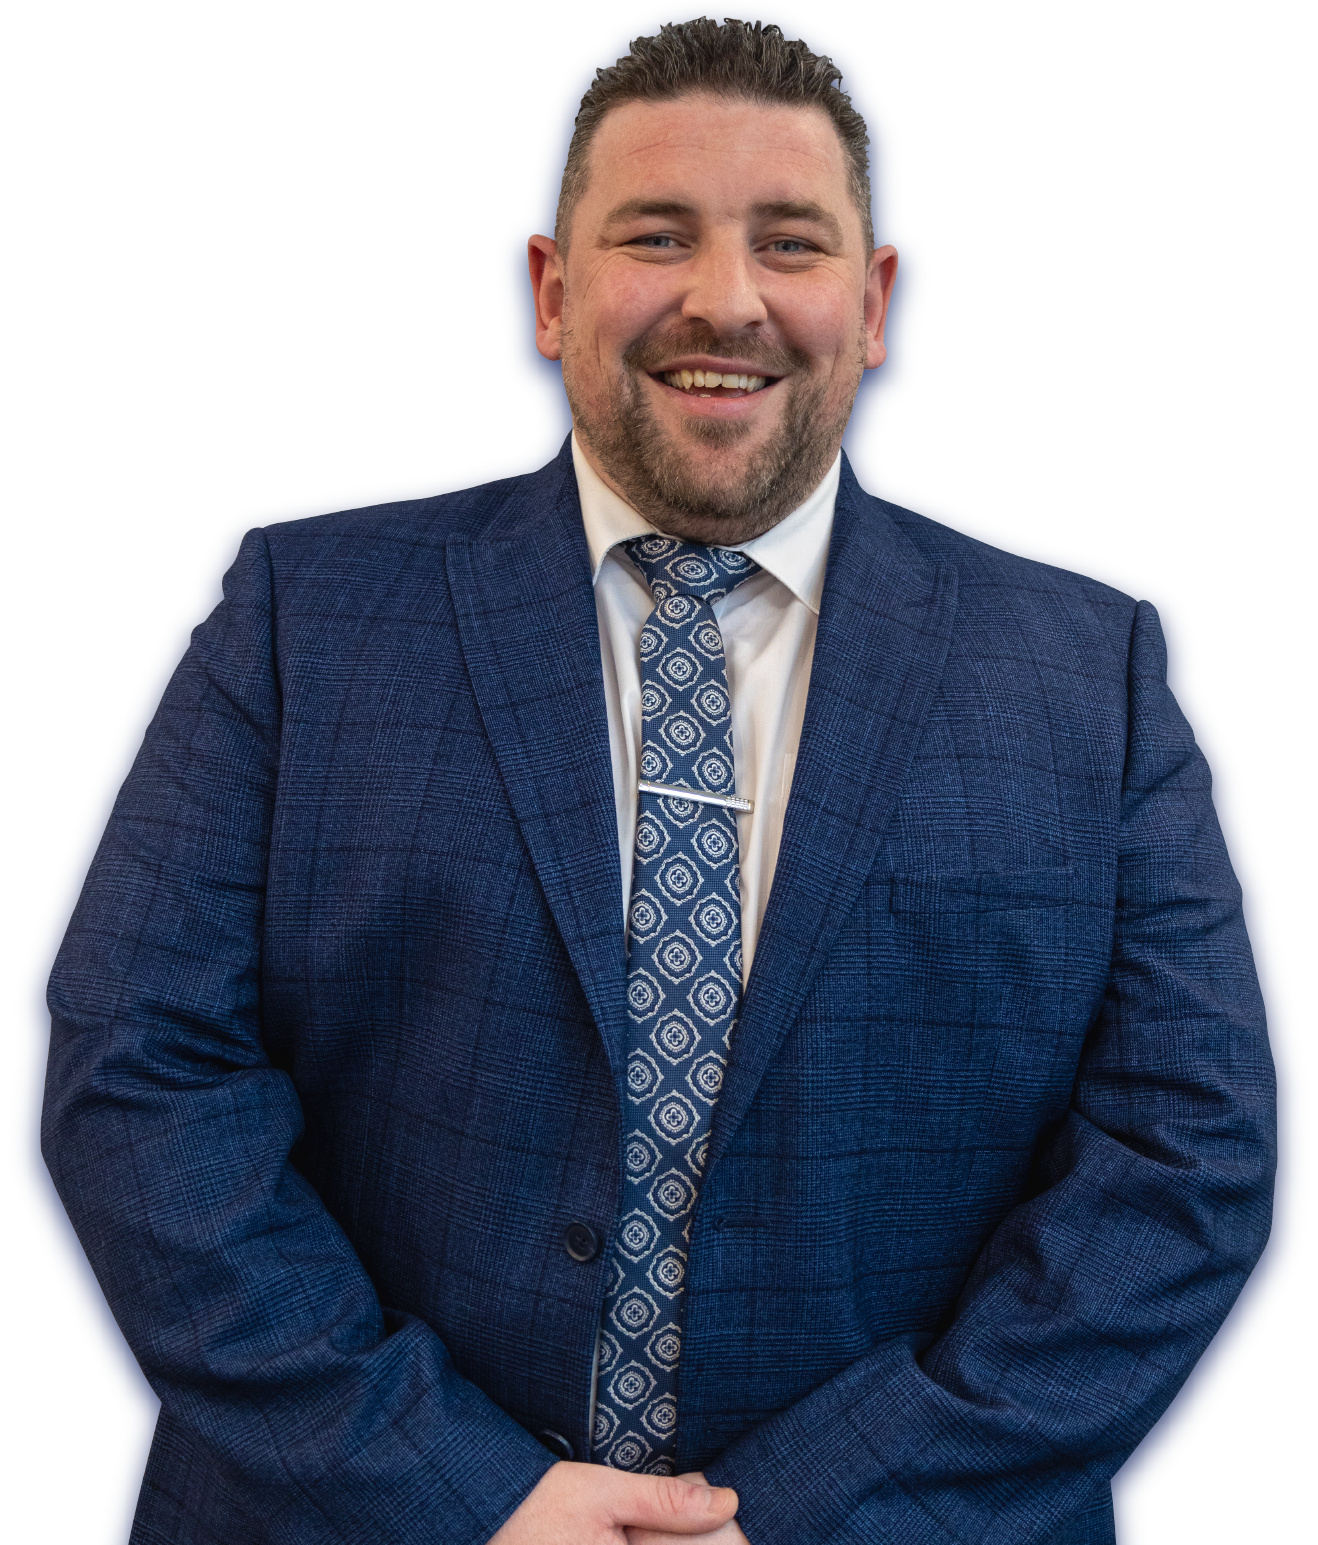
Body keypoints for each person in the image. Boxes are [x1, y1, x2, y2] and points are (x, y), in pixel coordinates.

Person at [41, 18, 1276, 1545]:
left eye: (789, 241)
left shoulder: (1096, 667)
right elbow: (136, 1077)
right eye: (657, 235)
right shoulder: (302, 614)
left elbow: (1192, 1157)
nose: (726, 299)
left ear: (875, 303)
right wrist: (469, 1495)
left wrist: (807, 1512)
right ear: (549, 292)